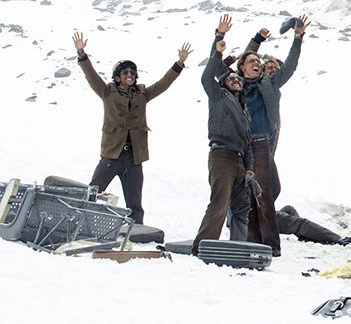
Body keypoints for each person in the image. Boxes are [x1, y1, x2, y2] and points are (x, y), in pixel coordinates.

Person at [71, 32, 192, 224]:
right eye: (125, 72)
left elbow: (163, 84)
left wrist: (179, 64)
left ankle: (136, 232)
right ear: (117, 77)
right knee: (93, 192)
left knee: (134, 202)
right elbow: (91, 75)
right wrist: (81, 53)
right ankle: (79, 223)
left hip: (134, 157)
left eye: (133, 72)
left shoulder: (142, 93)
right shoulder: (107, 92)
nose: (130, 75)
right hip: (112, 154)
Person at [236, 14, 309, 255]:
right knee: (259, 193)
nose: (256, 63)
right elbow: (235, 62)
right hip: (244, 144)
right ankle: (263, 242)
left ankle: (261, 240)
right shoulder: (234, 84)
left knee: (268, 191)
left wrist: (298, 38)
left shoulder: (268, 82)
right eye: (252, 61)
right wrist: (255, 41)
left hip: (262, 143)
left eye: (259, 61)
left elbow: (289, 65)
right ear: (243, 68)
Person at [193, 14, 255, 254]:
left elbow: (247, 142)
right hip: (221, 156)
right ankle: (202, 246)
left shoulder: (243, 109)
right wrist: (219, 42)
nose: (235, 79)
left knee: (241, 206)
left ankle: (238, 246)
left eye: (237, 78)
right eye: (230, 78)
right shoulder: (218, 97)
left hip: (238, 159)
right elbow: (207, 75)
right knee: (219, 203)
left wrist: (249, 166)